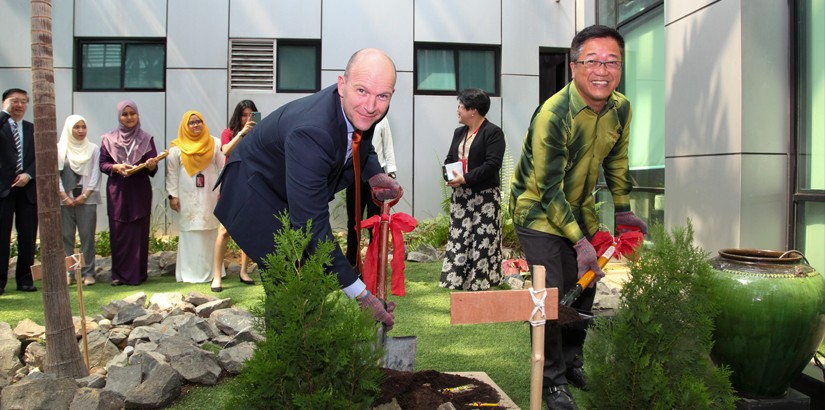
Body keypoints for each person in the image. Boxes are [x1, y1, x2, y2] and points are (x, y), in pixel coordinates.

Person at [510, 25, 649, 410]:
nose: (602, 70)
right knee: (553, 292)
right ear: (574, 67)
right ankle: (551, 381)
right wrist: (581, 242)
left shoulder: (621, 108)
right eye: (592, 61)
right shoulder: (553, 115)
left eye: (612, 62)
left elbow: (617, 161)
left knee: (586, 285)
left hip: (579, 206)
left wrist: (622, 210)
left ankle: (571, 360)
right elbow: (548, 190)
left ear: (620, 68)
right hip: (537, 209)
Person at [214, 48, 402, 330]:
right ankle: (286, 362)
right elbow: (312, 225)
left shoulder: (361, 109)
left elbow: (361, 142)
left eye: (382, 96)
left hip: (289, 190)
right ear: (342, 85)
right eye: (362, 91)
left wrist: (374, 174)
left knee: (313, 278)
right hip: (255, 194)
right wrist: (360, 294)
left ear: (390, 94)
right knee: (287, 280)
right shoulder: (312, 132)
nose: (372, 105)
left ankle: (312, 351)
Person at [439, 88, 505, 291]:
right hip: (461, 197)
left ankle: (480, 282)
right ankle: (456, 280)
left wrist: (465, 179)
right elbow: (450, 159)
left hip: (484, 198)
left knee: (482, 240)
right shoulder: (459, 132)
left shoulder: (493, 132)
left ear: (473, 110)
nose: (457, 109)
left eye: (460, 105)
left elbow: (492, 165)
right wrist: (449, 177)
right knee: (459, 237)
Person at [100, 100, 160, 286]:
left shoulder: (146, 139)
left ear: (138, 115)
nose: (129, 117)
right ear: (119, 117)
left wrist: (151, 165)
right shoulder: (108, 139)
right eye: (125, 114)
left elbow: (152, 165)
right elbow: (102, 164)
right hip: (117, 191)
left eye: (132, 113)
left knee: (138, 232)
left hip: (139, 190)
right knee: (119, 233)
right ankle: (118, 275)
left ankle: (138, 275)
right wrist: (116, 166)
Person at [167, 111, 225, 284]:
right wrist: (173, 196)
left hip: (210, 193)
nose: (195, 125)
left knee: (210, 230)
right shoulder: (176, 148)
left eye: (198, 121)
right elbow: (171, 174)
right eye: (191, 123)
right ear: (185, 126)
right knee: (190, 231)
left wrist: (223, 191)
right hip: (187, 195)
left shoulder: (215, 143)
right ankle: (189, 274)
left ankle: (213, 272)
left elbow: (223, 167)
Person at [210, 100, 257, 292]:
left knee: (246, 230)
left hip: (252, 182)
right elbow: (225, 150)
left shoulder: (258, 133)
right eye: (244, 115)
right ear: (238, 116)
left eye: (251, 115)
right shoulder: (228, 133)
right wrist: (242, 133)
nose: (247, 119)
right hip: (231, 182)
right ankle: (216, 276)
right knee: (224, 231)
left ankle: (243, 271)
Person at [345, 116, 397, 267]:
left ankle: (374, 263)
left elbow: (388, 145)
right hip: (354, 174)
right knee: (353, 221)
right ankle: (352, 262)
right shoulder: (352, 117)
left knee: (376, 221)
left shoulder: (381, 119)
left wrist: (391, 171)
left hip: (376, 176)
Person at [0, 89, 38, 294]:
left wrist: (29, 175)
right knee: (1, 237)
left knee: (28, 237)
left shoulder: (32, 129)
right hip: (3, 190)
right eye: (14, 101)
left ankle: (24, 280)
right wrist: (4, 114)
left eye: (24, 102)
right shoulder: (2, 124)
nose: (20, 105)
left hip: (27, 190)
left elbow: (41, 156)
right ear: (5, 102)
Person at [57, 115, 102, 286]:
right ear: (69, 129)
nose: (81, 131)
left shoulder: (93, 149)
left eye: (84, 127)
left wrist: (85, 195)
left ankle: (88, 272)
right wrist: (65, 196)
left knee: (87, 237)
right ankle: (70, 272)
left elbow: (96, 175)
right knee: (66, 236)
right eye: (76, 127)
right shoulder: (60, 149)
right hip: (64, 200)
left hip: (87, 200)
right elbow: (55, 174)